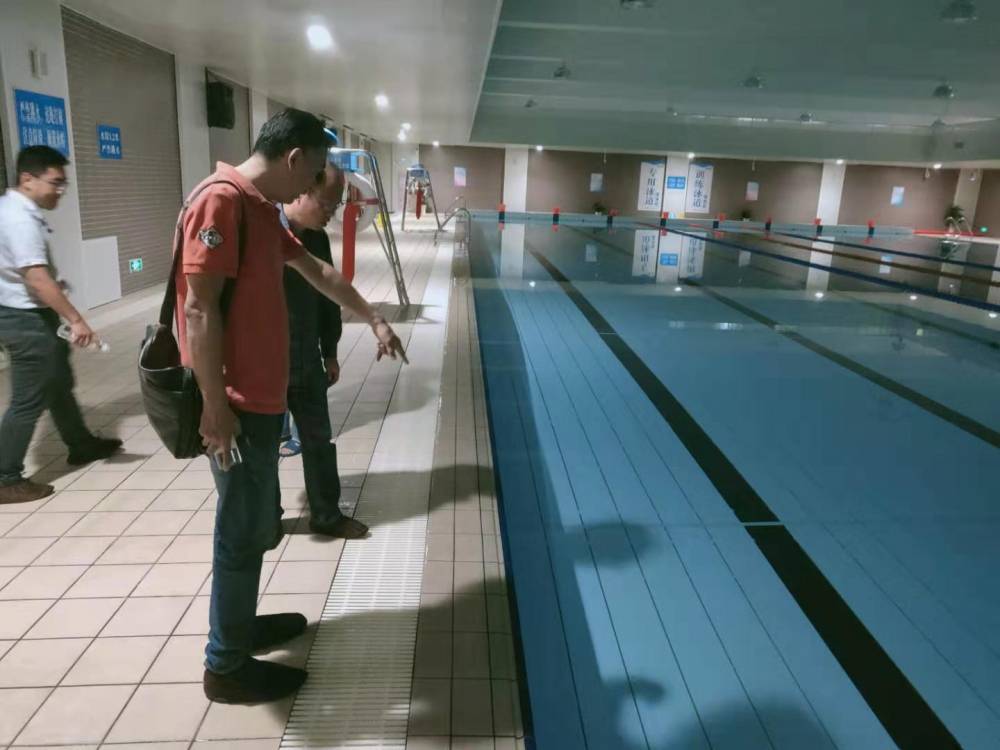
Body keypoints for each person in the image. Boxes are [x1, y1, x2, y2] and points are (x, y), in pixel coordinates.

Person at [176, 108, 406, 705]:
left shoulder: (258, 210)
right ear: (294, 157)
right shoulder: (221, 201)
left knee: (255, 526)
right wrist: (214, 406)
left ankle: (239, 628)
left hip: (259, 402)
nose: (312, 185)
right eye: (314, 171)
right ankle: (225, 666)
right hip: (236, 406)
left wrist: (374, 318)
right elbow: (198, 308)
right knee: (240, 531)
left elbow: (317, 271)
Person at [0, 146, 122, 505]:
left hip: (28, 314)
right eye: (55, 183)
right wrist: (76, 319)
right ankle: (5, 477)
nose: (60, 191)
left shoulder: (16, 211)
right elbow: (36, 277)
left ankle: (80, 443)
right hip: (24, 320)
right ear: (27, 179)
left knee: (58, 384)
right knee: (28, 400)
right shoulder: (19, 219)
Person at [280, 163, 368, 539]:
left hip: (304, 357)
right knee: (262, 446)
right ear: (302, 188)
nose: (331, 213)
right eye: (328, 203)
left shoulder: (315, 238)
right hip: (263, 362)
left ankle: (327, 515)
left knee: (318, 438)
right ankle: (266, 518)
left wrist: (329, 350)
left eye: (336, 205)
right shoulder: (261, 231)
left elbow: (328, 296)